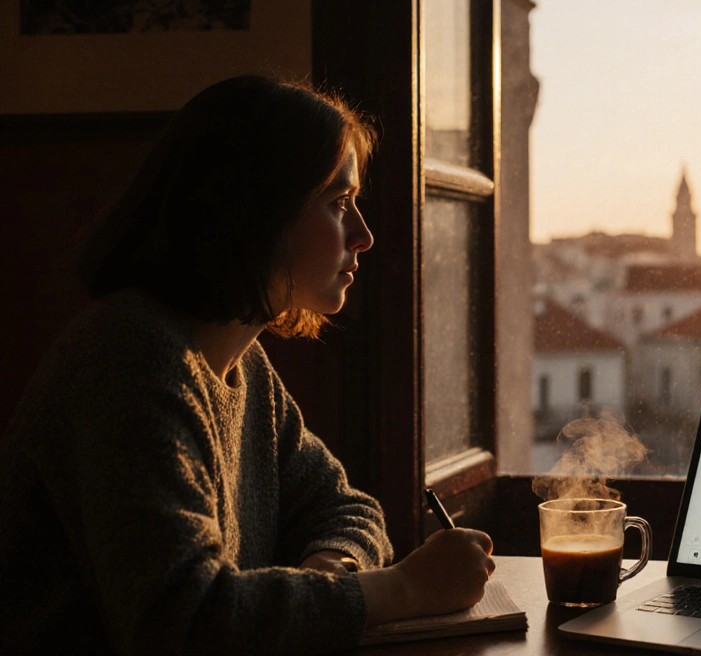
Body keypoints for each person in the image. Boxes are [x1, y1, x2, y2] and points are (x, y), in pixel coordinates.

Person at [0, 75, 496, 654]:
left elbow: (346, 507)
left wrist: (327, 580)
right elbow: (183, 622)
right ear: (256, 213)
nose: (363, 235)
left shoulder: (244, 367)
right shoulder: (130, 360)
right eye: (338, 204)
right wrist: (404, 588)